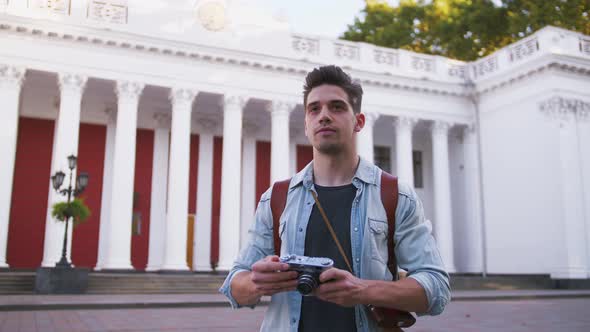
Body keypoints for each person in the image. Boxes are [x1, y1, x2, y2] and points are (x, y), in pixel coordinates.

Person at [219, 65, 450, 332]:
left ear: (359, 122)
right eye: (314, 109)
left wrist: (364, 290)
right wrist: (257, 282)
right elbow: (235, 285)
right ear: (306, 124)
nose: (324, 116)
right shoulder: (276, 198)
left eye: (337, 107)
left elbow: (437, 288)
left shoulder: (395, 196)